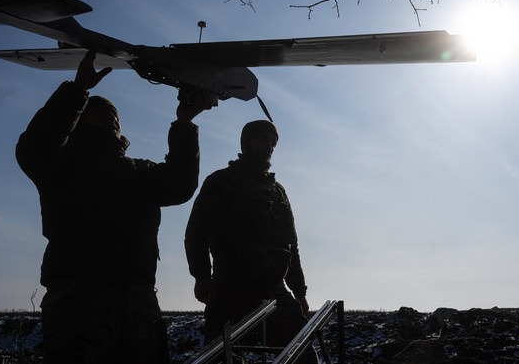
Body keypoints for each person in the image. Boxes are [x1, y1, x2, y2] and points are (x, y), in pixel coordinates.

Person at [16, 50, 211, 363]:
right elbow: (35, 146)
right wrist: (78, 90)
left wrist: (184, 123)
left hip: (139, 299)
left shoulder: (139, 171)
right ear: (78, 120)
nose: (113, 119)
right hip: (78, 298)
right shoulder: (61, 165)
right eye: (101, 112)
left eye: (116, 116)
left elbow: (180, 185)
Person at [184, 120, 317, 363]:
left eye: (273, 142)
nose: (270, 146)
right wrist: (202, 275)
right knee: (221, 358)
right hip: (230, 288)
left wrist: (299, 291)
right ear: (247, 142)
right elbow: (197, 232)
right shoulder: (221, 182)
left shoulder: (278, 191)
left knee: (303, 353)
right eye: (263, 139)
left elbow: (291, 245)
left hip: (274, 289)